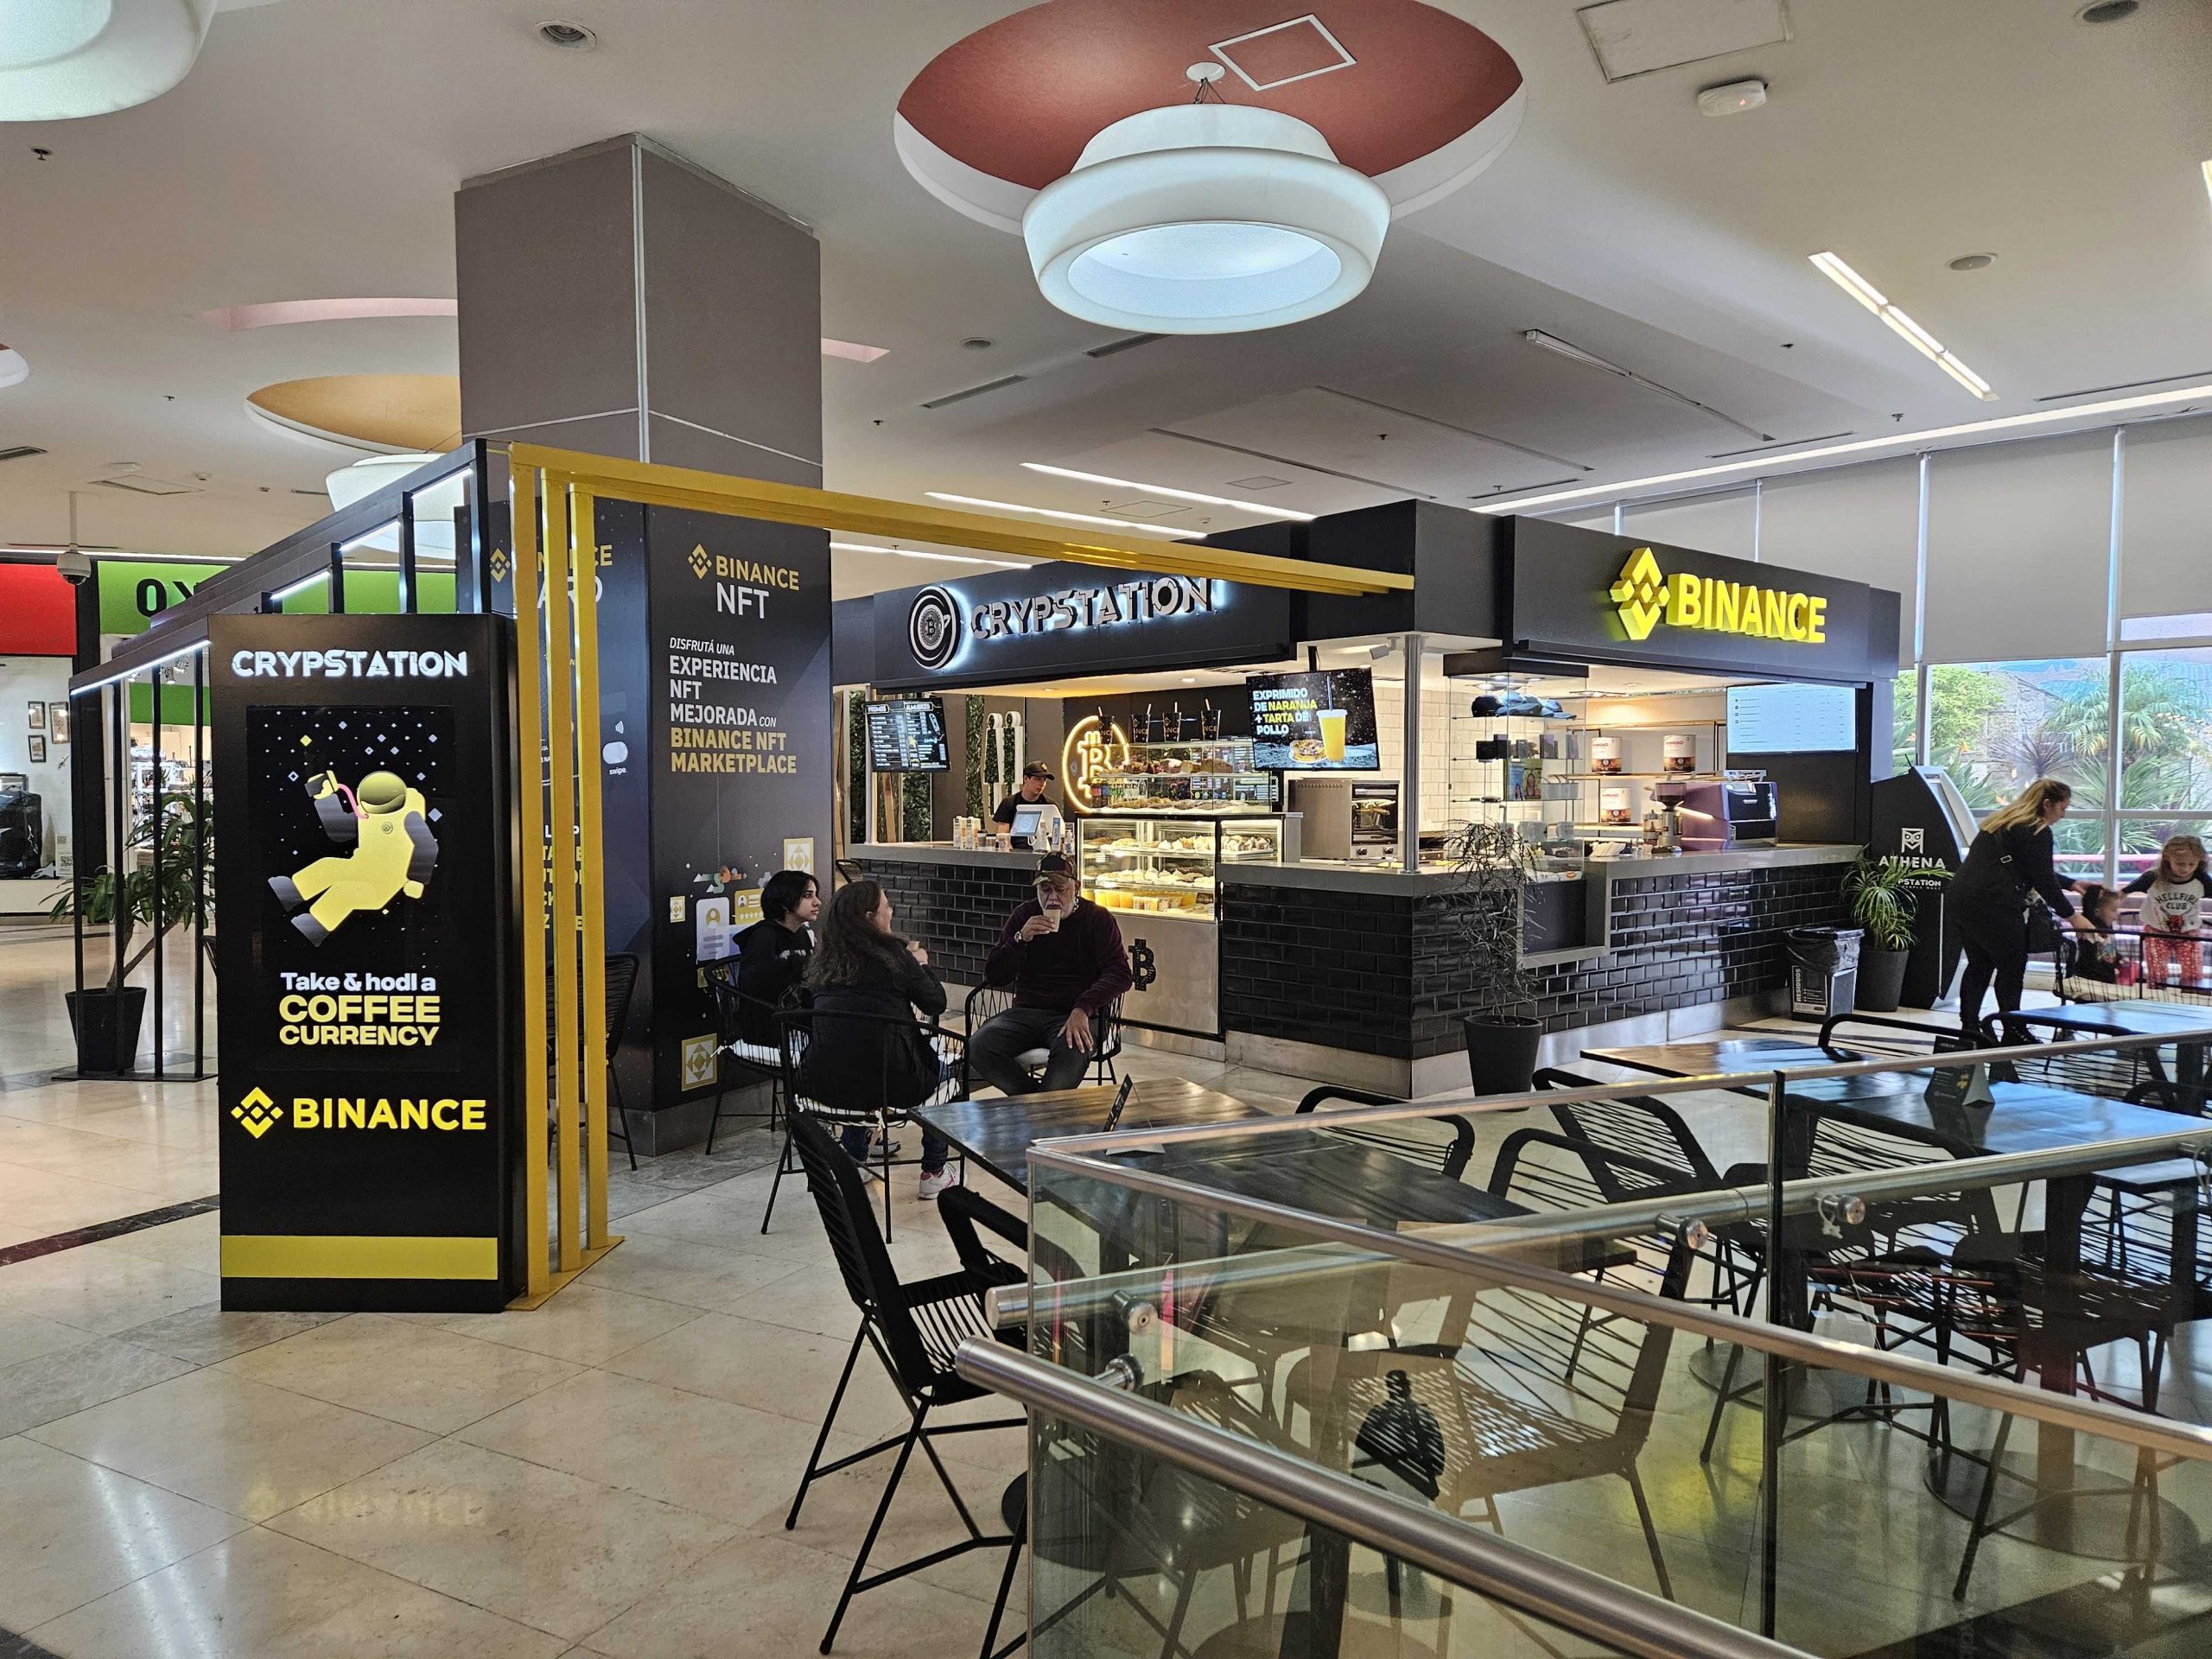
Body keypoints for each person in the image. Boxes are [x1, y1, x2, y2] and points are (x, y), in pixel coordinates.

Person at [800, 879, 956, 1198]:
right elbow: (935, 1003)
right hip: (893, 1083)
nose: (892, 912)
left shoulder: (822, 962)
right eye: (887, 907)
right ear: (871, 917)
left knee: (857, 1058)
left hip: (822, 1083)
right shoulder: (896, 956)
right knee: (947, 1074)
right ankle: (934, 1170)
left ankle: (854, 1161)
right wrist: (922, 965)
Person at [969, 853, 1134, 1096]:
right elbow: (995, 975)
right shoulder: (1024, 916)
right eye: (1045, 889)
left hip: (1076, 1013)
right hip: (1027, 1011)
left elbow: (1120, 973)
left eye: (1060, 888)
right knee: (978, 1046)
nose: (1053, 897)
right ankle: (1036, 1105)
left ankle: (1041, 1111)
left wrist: (1083, 1009)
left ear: (1076, 887)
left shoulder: (1097, 919)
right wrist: (1020, 940)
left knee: (1073, 1048)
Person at [1949, 778, 2095, 1042]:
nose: (2063, 815)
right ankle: (2013, 1029)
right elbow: (2043, 881)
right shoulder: (2036, 830)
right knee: (2013, 966)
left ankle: (1969, 1028)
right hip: (1995, 904)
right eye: (2062, 809)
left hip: (1962, 900)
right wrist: (2074, 917)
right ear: (2047, 805)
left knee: (1980, 963)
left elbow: (2031, 868)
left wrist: (2072, 883)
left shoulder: (2001, 822)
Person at [730, 868, 819, 1045]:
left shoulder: (801, 934)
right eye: (808, 896)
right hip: (769, 1032)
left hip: (798, 1028)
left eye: (816, 895)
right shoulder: (764, 936)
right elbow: (754, 986)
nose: (818, 902)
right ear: (785, 904)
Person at [2125, 833, 2209, 988]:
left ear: (2200, 861)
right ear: (2167, 858)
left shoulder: (2201, 880)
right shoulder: (2153, 877)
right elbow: (2124, 892)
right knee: (2157, 974)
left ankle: (2191, 1000)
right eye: (2179, 863)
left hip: (2188, 932)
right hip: (2156, 931)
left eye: (2191, 864)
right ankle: (2158, 1000)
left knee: (2193, 974)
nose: (2185, 869)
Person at [2066, 884, 2129, 1001]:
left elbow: (2108, 949)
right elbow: (2093, 952)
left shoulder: (2107, 929)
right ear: (2097, 911)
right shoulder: (2089, 930)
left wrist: (2119, 959)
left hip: (2106, 980)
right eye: (2113, 910)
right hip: (2089, 982)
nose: (2117, 914)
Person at [992, 762, 1057, 840]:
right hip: (1015, 850)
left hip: (1044, 850)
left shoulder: (1050, 806)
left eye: (1045, 780)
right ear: (1026, 779)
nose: (1042, 784)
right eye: (1037, 779)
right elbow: (1003, 837)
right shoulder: (1009, 804)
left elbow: (1059, 835)